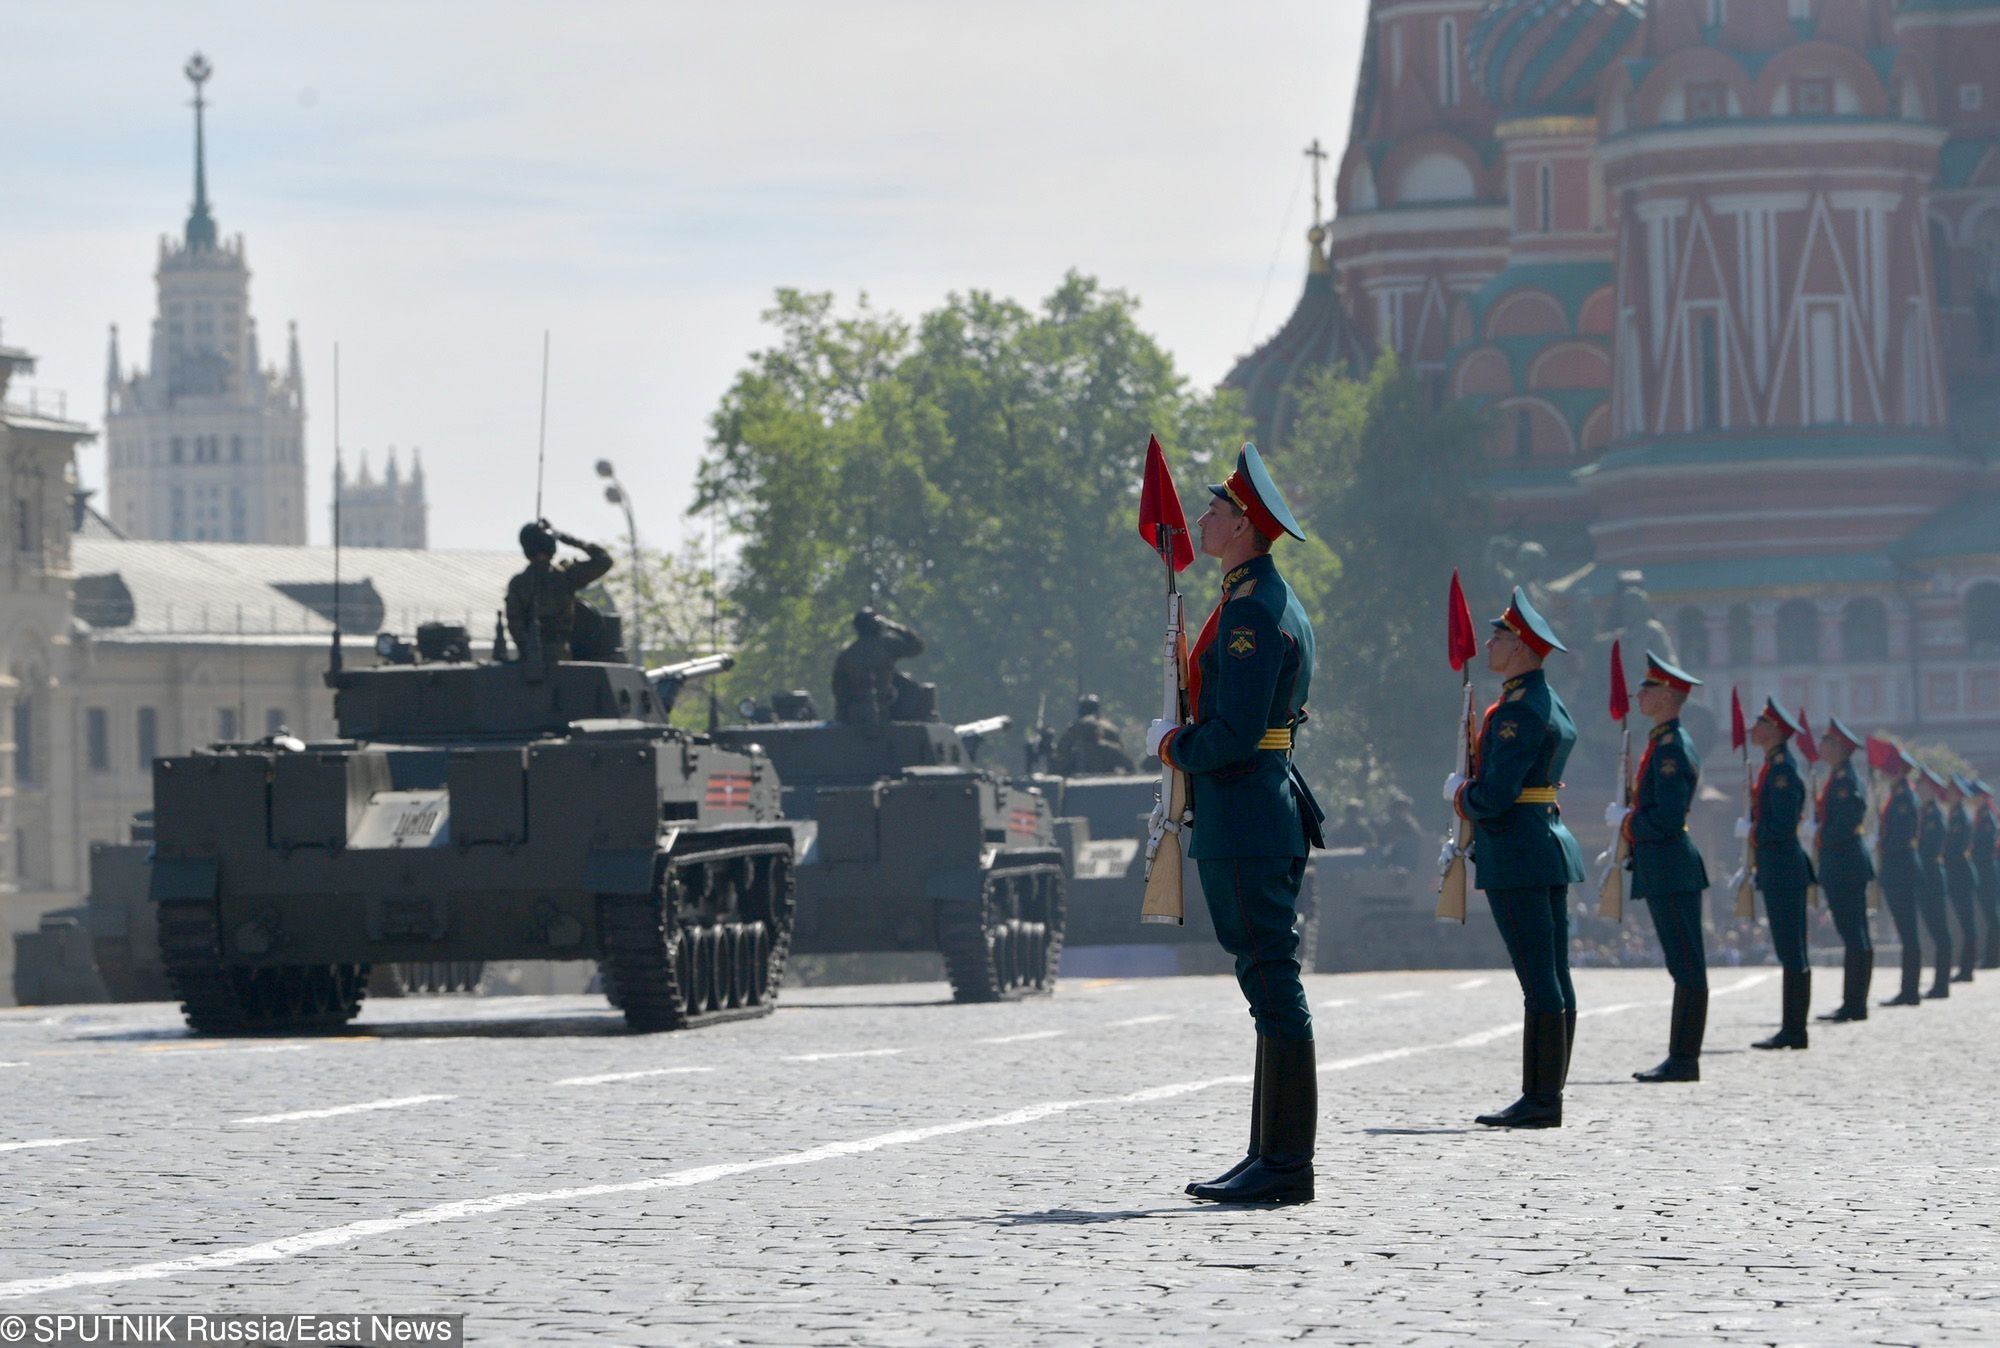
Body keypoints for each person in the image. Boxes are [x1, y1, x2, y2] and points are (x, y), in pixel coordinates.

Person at [1149, 443, 1320, 1206]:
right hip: (1255, 808)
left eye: (1216, 508)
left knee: (1272, 984)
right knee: (1265, 982)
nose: (1203, 516)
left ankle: (1285, 1164)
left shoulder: (1251, 612)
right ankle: (1267, 1153)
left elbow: (1235, 733)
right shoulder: (1255, 597)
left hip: (1247, 810)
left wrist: (1170, 742)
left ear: (1245, 524)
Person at [1445, 587, 1585, 1129]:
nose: (1489, 643)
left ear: (1523, 645)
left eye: (1499, 636)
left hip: (1519, 848)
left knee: (1538, 977)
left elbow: (1497, 794)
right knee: (1554, 972)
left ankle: (1541, 1098)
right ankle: (1549, 1091)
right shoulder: (1546, 702)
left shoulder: (1517, 712)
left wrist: (1461, 792)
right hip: (1543, 842)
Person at [1616, 652, 1709, 1083]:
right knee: (1681, 963)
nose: (1640, 694)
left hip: (1671, 864)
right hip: (1665, 865)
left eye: (1648, 688)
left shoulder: (1671, 747)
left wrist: (1628, 822)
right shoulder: (1662, 741)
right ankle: (1680, 1056)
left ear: (1669, 696)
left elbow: (1668, 817)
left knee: (1687, 964)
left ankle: (1684, 1058)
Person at [1742, 700, 1813, 1049]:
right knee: (1788, 949)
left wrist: (1753, 831)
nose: (1753, 728)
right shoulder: (1772, 765)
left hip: (1783, 865)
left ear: (1774, 730)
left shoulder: (1782, 770)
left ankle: (1795, 1029)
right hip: (1778, 866)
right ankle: (1793, 1027)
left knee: (1792, 950)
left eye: (1760, 722)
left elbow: (1782, 824)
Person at [1813, 718, 1875, 1022]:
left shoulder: (1844, 781)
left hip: (1845, 864)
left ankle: (1855, 1003)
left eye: (1826, 741)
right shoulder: (1838, 776)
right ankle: (1854, 1001)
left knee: (1854, 934)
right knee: (1854, 933)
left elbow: (1847, 823)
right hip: (1844, 863)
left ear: (1839, 748)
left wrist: (1820, 833)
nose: (1821, 746)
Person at [505, 520, 613, 663]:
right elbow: (604, 561)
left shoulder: (519, 583)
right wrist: (565, 538)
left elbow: (514, 622)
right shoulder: (565, 577)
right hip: (560, 656)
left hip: (529, 658)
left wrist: (527, 649)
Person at [1877, 752, 1926, 1008]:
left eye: (1888, 772)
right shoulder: (1899, 795)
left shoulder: (1904, 797)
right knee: (1906, 932)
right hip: (1898, 869)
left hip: (1902, 869)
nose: (1885, 776)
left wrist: (1882, 842)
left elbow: (1902, 835)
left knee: (1908, 932)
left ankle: (1910, 990)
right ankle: (1908, 989)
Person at [830, 608, 926, 724]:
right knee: (911, 686)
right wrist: (892, 625)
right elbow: (917, 646)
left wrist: (843, 712)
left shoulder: (847, 653)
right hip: (885, 708)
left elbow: (838, 687)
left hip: (854, 713)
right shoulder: (885, 645)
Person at [1913, 766, 1954, 999]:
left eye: (1921, 785)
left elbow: (1929, 849)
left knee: (1940, 932)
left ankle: (1941, 984)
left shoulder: (1934, 815)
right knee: (1936, 931)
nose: (1917, 789)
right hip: (1926, 878)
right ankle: (1939, 983)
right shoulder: (1925, 812)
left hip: (1932, 878)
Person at [1944, 776, 1980, 983]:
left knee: (1967, 924)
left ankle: (1967, 969)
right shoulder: (1954, 815)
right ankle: (1966, 967)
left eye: (1951, 792)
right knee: (1964, 923)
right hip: (1958, 875)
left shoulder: (1960, 817)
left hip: (1961, 875)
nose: (1947, 795)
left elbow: (1954, 849)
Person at [1052, 695, 1136, 775]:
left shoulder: (1074, 728)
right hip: (1107, 777)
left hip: (1079, 777)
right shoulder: (1110, 728)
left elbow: (1061, 751)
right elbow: (1123, 756)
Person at [1974, 781, 2000, 970]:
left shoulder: (1987, 818)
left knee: (1993, 916)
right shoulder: (1980, 817)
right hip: (1983, 872)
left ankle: (1993, 958)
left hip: (1987, 872)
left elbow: (1985, 848)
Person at [1377, 791, 1425, 869]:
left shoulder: (1411, 825)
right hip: (1389, 861)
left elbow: (1418, 842)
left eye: (1402, 807)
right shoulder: (1387, 826)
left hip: (1409, 861)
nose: (1399, 811)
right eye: (1397, 807)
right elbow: (1380, 843)